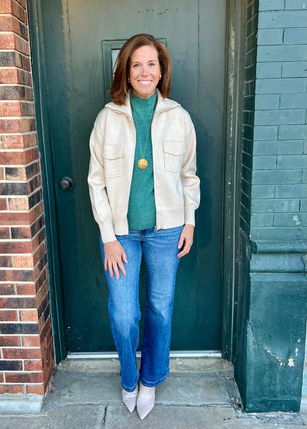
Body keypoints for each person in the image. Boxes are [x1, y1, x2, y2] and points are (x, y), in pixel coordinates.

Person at [88, 33, 200, 420]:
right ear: (126, 71)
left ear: (162, 69)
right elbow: (95, 181)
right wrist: (108, 238)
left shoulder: (178, 117)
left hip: (167, 231)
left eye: (152, 63)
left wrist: (189, 220)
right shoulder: (108, 118)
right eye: (137, 64)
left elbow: (189, 175)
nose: (145, 71)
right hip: (121, 234)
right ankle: (128, 375)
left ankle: (150, 378)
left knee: (159, 308)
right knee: (123, 313)